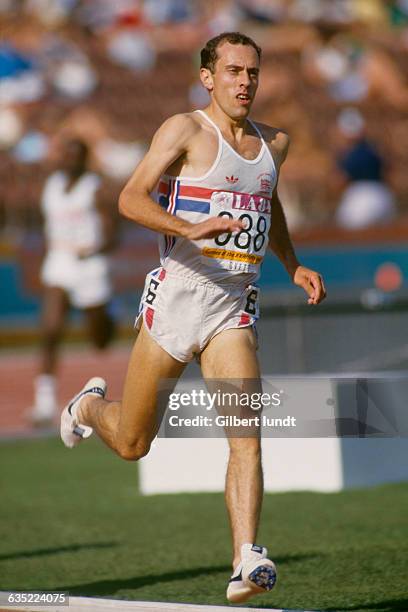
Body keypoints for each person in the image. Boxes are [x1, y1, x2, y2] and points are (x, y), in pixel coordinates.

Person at [60, 32, 326, 604]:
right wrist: (188, 227)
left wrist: (293, 263)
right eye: (232, 71)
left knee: (246, 439)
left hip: (233, 308)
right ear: (208, 77)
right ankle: (86, 405)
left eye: (252, 72)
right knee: (133, 443)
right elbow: (130, 199)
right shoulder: (184, 130)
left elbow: (268, 199)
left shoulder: (274, 143)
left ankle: (246, 557)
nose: (244, 82)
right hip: (179, 297)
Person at [30, 138, 116, 425]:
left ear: (84, 159)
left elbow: (113, 234)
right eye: (65, 154)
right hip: (60, 262)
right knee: (51, 328)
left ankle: (109, 314)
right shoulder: (51, 185)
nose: (69, 160)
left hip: (89, 264)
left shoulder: (95, 188)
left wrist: (94, 249)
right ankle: (44, 401)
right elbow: (46, 225)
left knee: (99, 340)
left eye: (75, 155)